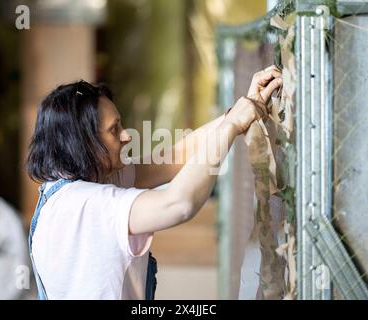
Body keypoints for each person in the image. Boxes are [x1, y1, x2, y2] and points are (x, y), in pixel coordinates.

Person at [26, 65, 282, 299]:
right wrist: (232, 126)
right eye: (114, 129)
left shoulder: (74, 185)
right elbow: (179, 204)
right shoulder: (85, 205)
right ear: (83, 143)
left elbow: (173, 158)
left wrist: (240, 111)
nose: (126, 136)